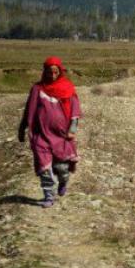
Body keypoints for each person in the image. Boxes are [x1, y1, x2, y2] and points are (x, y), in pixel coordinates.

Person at [18, 56, 81, 208]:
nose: (52, 76)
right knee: (44, 168)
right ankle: (48, 196)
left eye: (55, 72)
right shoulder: (37, 89)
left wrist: (72, 130)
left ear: (60, 72)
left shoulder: (67, 88)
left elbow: (75, 111)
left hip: (61, 136)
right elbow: (29, 110)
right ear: (44, 72)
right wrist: (22, 128)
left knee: (62, 168)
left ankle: (63, 182)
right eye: (49, 72)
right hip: (42, 135)